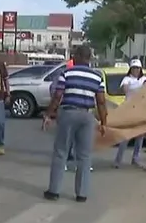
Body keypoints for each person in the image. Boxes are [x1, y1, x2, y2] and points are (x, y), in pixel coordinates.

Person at [42, 45, 107, 202]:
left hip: (68, 113)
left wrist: (48, 115)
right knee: (84, 155)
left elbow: (58, 96)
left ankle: (54, 191)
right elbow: (101, 102)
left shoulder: (67, 73)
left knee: (61, 152)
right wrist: (104, 122)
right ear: (89, 58)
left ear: (77, 56)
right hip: (86, 115)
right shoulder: (97, 77)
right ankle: (81, 194)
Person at [113, 59, 146, 168]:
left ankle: (136, 158)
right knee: (126, 136)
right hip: (129, 110)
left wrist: (137, 89)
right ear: (131, 69)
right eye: (134, 68)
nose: (136, 70)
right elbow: (125, 89)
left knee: (139, 136)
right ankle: (118, 160)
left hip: (140, 110)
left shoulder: (144, 79)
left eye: (137, 68)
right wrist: (137, 88)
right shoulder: (127, 79)